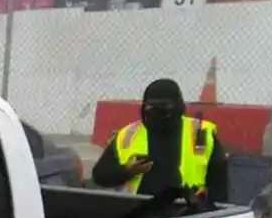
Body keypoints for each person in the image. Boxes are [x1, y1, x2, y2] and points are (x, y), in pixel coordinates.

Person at [92, 77, 230, 205]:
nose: (154, 112)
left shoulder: (201, 133)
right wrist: (127, 171)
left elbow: (219, 185)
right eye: (150, 107)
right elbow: (100, 176)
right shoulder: (129, 135)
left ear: (177, 106)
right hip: (137, 213)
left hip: (187, 214)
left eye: (162, 107)